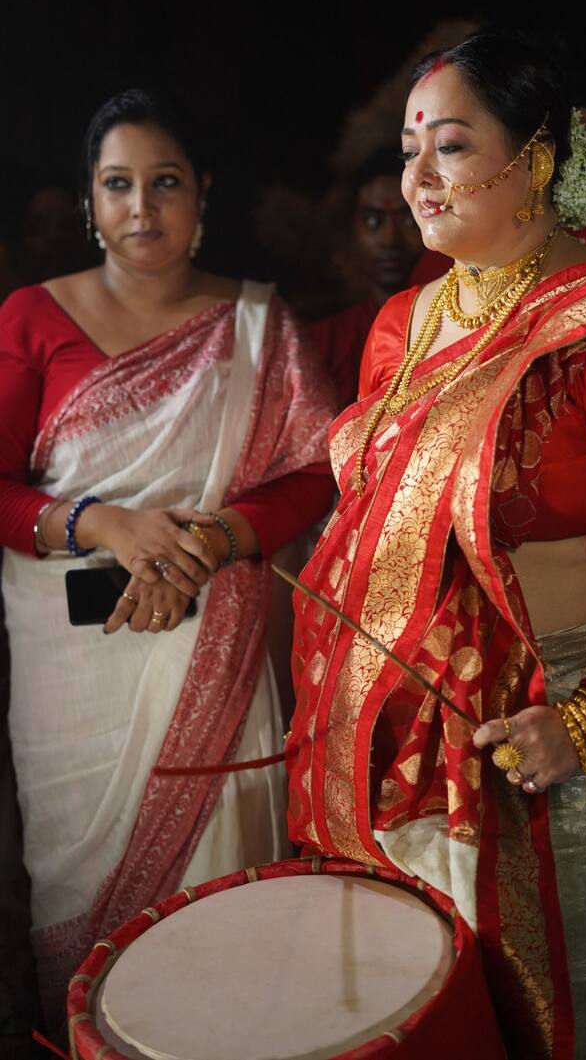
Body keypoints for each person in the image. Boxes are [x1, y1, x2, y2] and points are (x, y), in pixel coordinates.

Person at [286, 28, 586, 1060]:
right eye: (406, 148)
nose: (415, 179)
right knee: (423, 1010)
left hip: (556, 729)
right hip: (405, 735)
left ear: (534, 157)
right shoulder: (407, 321)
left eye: (447, 145)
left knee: (569, 1015)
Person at [0, 88, 336, 1027]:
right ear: (87, 202)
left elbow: (318, 470)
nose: (140, 207)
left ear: (204, 194)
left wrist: (210, 538)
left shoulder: (260, 328)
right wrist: (100, 523)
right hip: (75, 678)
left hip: (219, 651)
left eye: (165, 182)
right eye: (117, 185)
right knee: (79, 899)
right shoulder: (30, 318)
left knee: (231, 921)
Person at [306, 150, 425, 407]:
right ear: (350, 231)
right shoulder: (325, 343)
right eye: (373, 221)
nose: (390, 239)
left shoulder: (460, 327)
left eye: (408, 219)